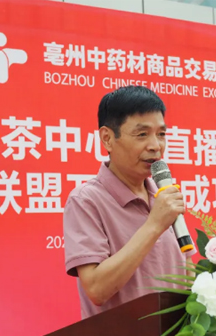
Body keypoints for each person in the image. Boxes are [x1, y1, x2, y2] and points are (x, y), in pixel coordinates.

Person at [63, 86, 194, 319]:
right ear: (107, 138)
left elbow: (188, 276)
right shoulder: (86, 201)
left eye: (161, 134)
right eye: (142, 134)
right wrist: (154, 225)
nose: (155, 145)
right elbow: (97, 289)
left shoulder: (164, 196)